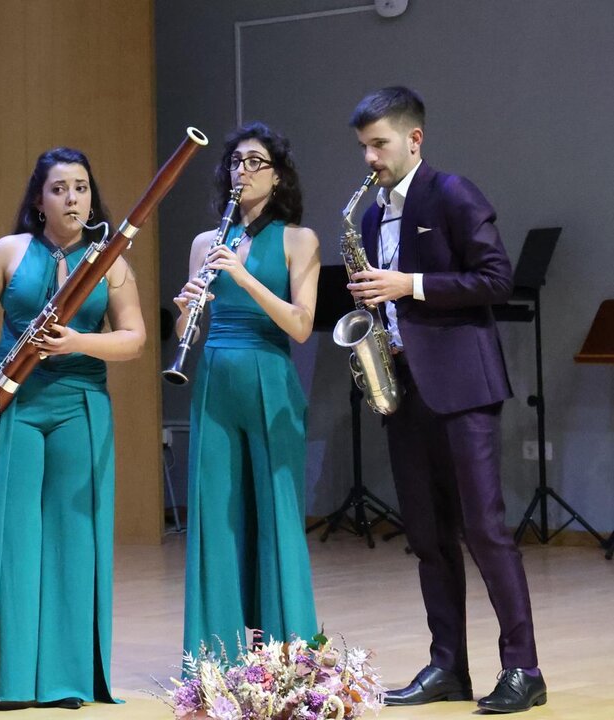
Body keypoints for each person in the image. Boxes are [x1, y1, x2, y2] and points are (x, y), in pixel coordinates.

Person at [347, 86, 545, 713]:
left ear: (414, 139)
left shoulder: (453, 193)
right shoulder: (373, 215)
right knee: (428, 537)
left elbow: (497, 279)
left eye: (380, 144)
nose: (371, 158)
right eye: (364, 147)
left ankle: (524, 669)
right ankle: (447, 667)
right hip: (404, 389)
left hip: (463, 388)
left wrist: (411, 284)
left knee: (485, 530)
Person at [0, 147, 145, 714]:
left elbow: (132, 338)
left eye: (81, 187)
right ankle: (11, 683)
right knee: (13, 537)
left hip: (80, 404)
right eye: (59, 188)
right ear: (39, 199)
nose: (72, 198)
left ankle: (66, 678)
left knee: (71, 536)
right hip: (13, 404)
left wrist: (78, 341)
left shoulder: (111, 261)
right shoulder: (10, 252)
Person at [176, 122, 321, 660]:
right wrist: (187, 306)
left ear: (278, 176)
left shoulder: (298, 239)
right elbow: (184, 333)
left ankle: (290, 648)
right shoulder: (205, 242)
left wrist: (243, 276)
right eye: (236, 162)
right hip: (214, 375)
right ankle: (218, 652)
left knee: (276, 511)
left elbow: (301, 326)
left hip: (269, 376)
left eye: (256, 161)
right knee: (216, 511)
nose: (243, 170)